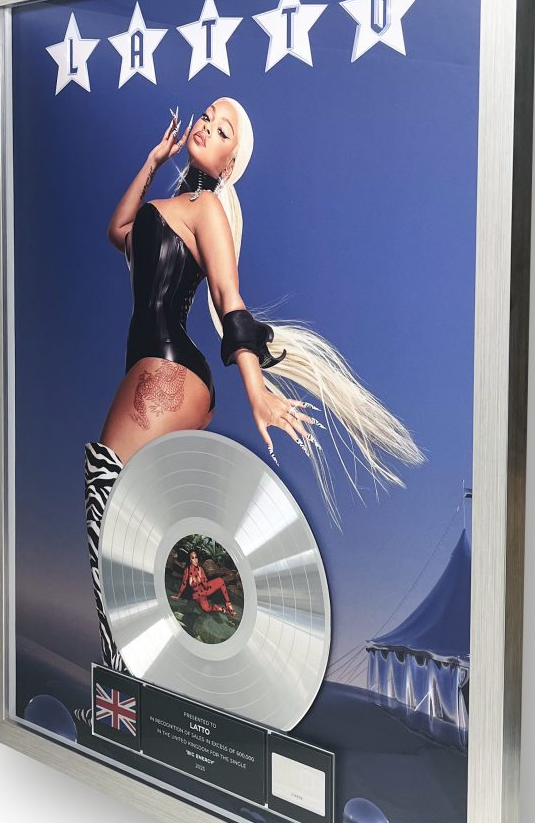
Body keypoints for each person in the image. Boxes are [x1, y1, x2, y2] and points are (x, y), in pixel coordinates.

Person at [84, 96, 425, 676]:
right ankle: (175, 664)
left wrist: (255, 387)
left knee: (106, 498)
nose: (205, 126)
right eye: (206, 117)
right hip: (160, 371)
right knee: (142, 531)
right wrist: (153, 160)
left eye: (223, 131)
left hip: (167, 367)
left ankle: (124, 683)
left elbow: (228, 297)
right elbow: (119, 230)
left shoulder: (206, 208)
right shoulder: (167, 207)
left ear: (229, 165)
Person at [170, 549, 237, 618]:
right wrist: (178, 596)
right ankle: (218, 608)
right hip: (197, 594)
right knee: (206, 609)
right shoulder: (187, 571)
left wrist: (202, 579)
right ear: (190, 560)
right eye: (193, 558)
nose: (195, 560)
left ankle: (228, 604)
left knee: (220, 581)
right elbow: (184, 584)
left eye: (196, 557)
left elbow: (206, 584)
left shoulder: (200, 569)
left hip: (204, 590)